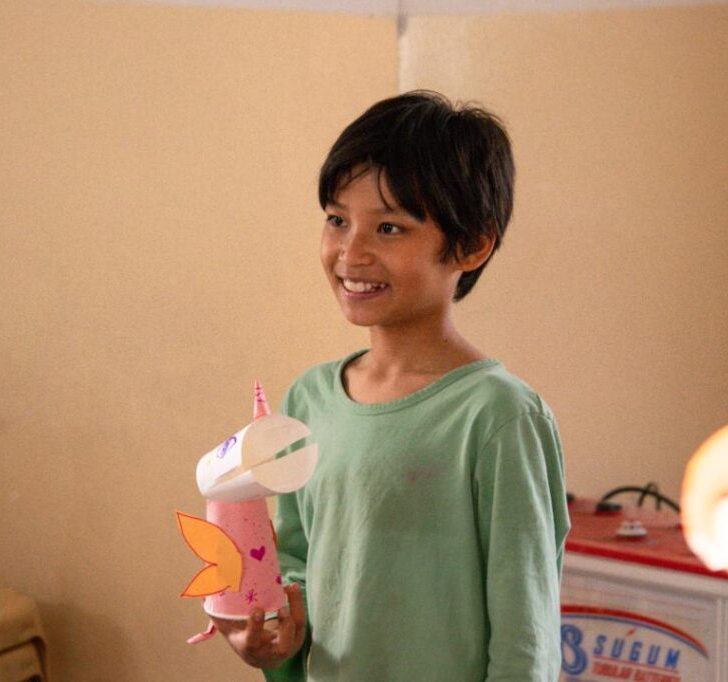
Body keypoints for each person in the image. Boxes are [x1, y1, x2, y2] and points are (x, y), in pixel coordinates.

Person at [213, 90, 570, 681]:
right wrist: (272, 635)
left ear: (472, 244)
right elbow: (297, 562)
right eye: (336, 220)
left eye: (389, 227)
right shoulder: (309, 399)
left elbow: (524, 631)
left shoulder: (499, 416)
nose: (351, 253)